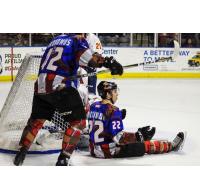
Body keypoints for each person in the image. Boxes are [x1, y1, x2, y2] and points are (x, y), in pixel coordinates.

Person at [13, 34, 123, 166]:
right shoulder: (77, 40)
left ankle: (21, 153)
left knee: (36, 120)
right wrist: (108, 62)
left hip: (41, 87)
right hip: (60, 86)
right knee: (79, 122)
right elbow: (90, 60)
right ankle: (63, 159)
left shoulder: (56, 39)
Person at [88, 81, 186, 159]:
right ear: (108, 95)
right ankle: (172, 146)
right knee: (145, 145)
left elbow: (101, 120)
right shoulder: (114, 110)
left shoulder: (93, 106)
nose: (117, 94)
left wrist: (119, 116)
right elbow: (119, 139)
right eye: (114, 91)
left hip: (93, 149)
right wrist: (138, 136)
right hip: (107, 151)